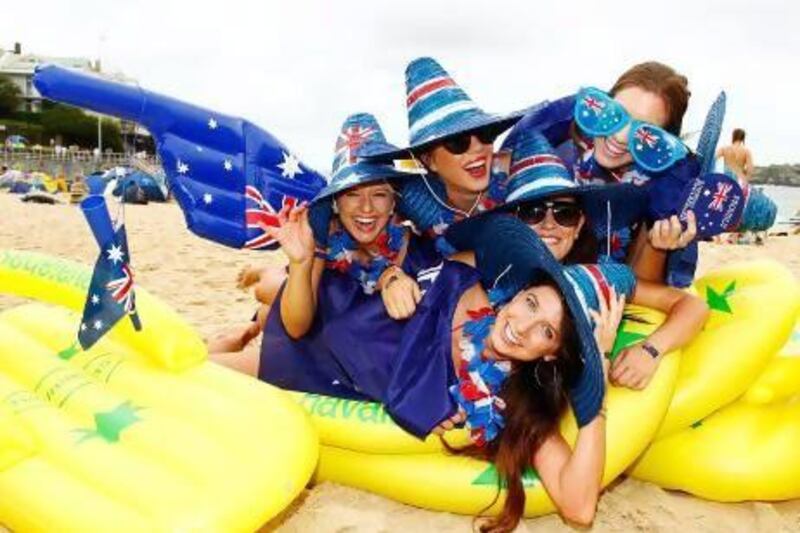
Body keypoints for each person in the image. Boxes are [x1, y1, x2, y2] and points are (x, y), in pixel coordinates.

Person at [451, 130, 709, 390]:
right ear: (512, 223)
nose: (549, 225)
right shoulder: (472, 265)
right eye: (533, 213)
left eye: (565, 214)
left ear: (578, 226)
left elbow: (691, 306)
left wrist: (651, 349)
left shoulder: (593, 281)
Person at [208, 113, 443, 387]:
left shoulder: (418, 248)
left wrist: (392, 274)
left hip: (363, 359)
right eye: (352, 193)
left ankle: (257, 310)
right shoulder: (325, 240)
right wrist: (299, 263)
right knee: (210, 366)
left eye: (379, 194)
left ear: (394, 202)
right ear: (335, 202)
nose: (366, 208)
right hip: (314, 350)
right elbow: (296, 328)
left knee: (270, 295)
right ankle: (243, 324)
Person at [507, 62, 702, 287]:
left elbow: (642, 289)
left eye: (645, 133)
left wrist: (658, 246)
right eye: (617, 114)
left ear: (663, 142)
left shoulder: (663, 190)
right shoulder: (556, 147)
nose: (620, 137)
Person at [363, 57, 528, 241]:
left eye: (485, 134)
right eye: (458, 142)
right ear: (428, 160)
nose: (478, 148)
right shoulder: (416, 200)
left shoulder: (520, 175)